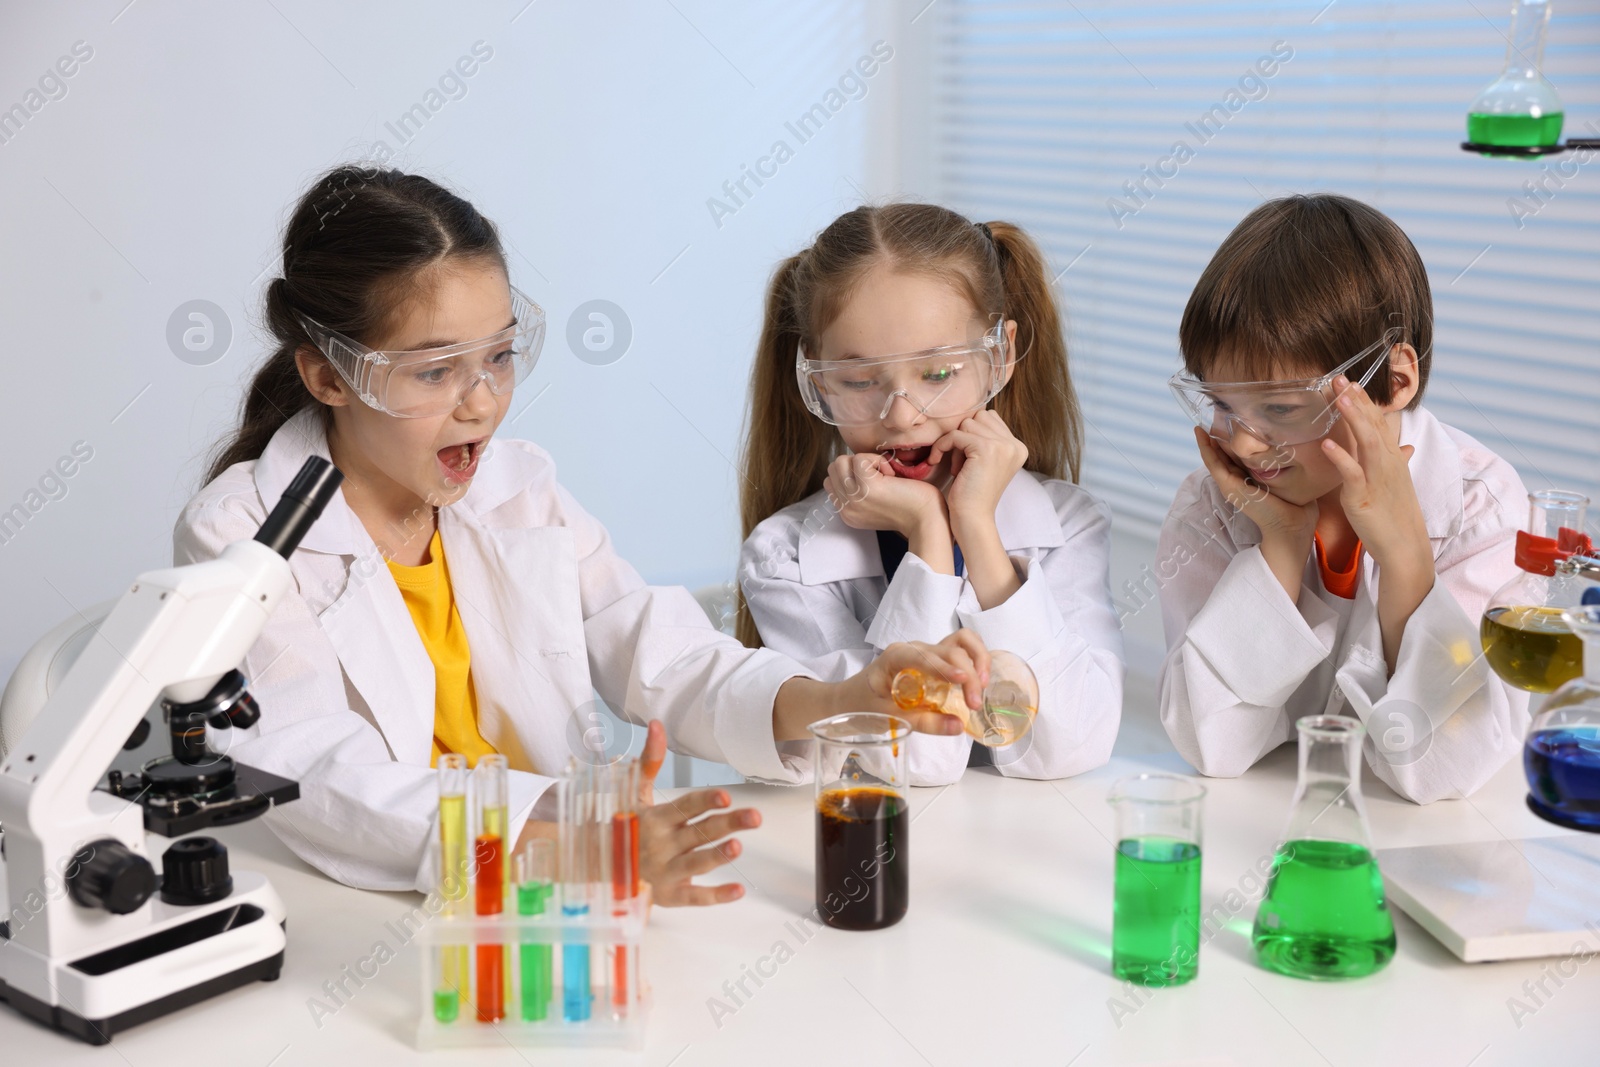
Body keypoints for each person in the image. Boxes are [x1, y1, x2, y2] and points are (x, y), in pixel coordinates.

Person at [175, 167, 991, 897]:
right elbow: (315, 775)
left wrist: (847, 698)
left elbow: (665, 654)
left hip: (564, 901)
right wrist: (570, 850)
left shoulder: (518, 487)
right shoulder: (239, 535)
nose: (481, 402)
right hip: (381, 911)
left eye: (498, 356)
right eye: (434, 370)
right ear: (329, 374)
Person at [1157, 192, 1529, 803]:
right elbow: (1211, 745)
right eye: (1223, 405)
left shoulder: (1481, 508)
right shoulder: (1212, 505)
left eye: (1279, 409)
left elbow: (1442, 770)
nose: (1247, 445)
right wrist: (1279, 544)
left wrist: (1408, 560)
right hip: (1259, 829)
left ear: (1396, 379)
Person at [737, 203, 1124, 785]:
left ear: (1000, 356)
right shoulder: (784, 556)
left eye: (938, 374)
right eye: (860, 381)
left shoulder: (1069, 524)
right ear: (815, 384)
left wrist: (977, 528)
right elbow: (912, 763)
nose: (901, 416)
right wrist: (928, 533)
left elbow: (1072, 747)